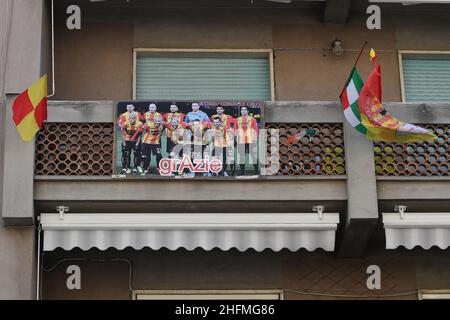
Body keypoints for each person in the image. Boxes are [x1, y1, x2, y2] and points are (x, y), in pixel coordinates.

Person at [235, 106, 259, 176]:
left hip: (250, 140)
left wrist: (255, 139)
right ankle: (242, 172)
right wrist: (236, 140)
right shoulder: (237, 119)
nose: (243, 111)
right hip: (241, 141)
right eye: (242, 109)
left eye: (245, 110)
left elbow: (256, 130)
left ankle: (256, 171)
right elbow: (235, 130)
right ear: (240, 111)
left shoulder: (253, 119)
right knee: (242, 157)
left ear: (248, 111)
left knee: (253, 157)